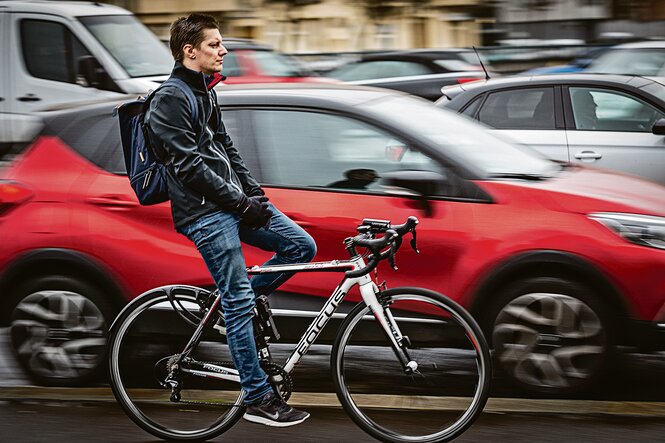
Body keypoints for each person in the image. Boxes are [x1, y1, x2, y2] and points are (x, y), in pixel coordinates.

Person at [146, 13, 316, 427]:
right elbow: (188, 168)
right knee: (239, 299)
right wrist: (242, 204)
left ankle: (232, 304)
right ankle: (258, 398)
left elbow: (226, 149)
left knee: (301, 247)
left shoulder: (205, 92)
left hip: (232, 202)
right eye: (215, 45)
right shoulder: (171, 98)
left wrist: (255, 194)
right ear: (190, 51)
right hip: (204, 214)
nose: (224, 51)